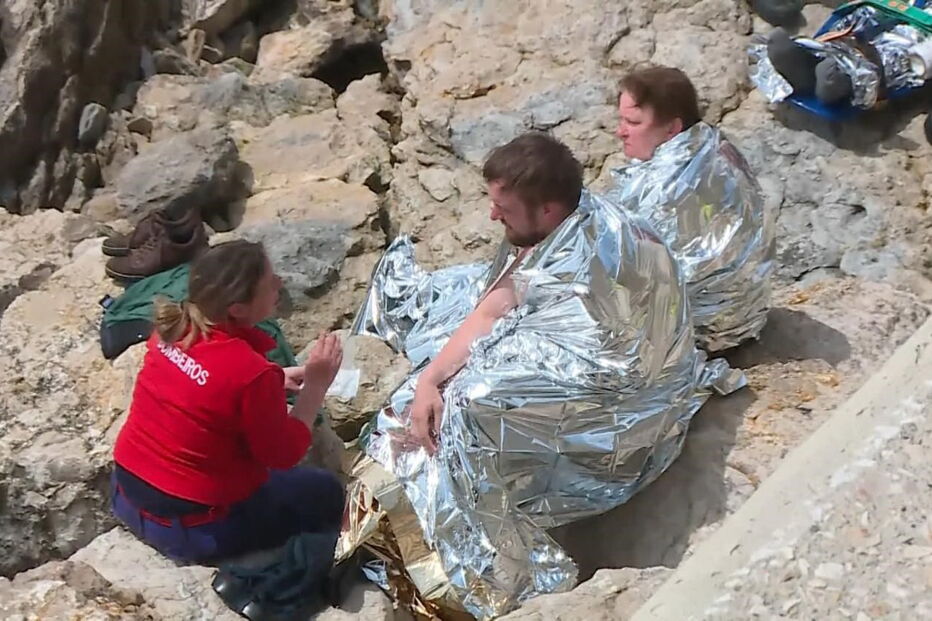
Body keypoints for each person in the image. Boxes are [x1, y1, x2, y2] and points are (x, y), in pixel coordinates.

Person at [111, 240, 346, 563]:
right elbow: (283, 454)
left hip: (127, 494)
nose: (279, 283)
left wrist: (275, 379)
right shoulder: (250, 373)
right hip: (192, 529)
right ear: (237, 308)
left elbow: (206, 384)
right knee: (324, 492)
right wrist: (316, 386)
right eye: (269, 282)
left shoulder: (174, 329)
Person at [407, 132, 583, 452]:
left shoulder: (587, 255)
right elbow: (491, 310)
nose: (492, 216)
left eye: (504, 208)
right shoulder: (541, 235)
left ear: (547, 210)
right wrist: (429, 380)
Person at [608, 65, 774, 351]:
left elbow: (623, 269)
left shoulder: (668, 188)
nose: (619, 132)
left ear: (672, 128)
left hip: (706, 328)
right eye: (621, 120)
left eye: (633, 123)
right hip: (746, 312)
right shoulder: (709, 143)